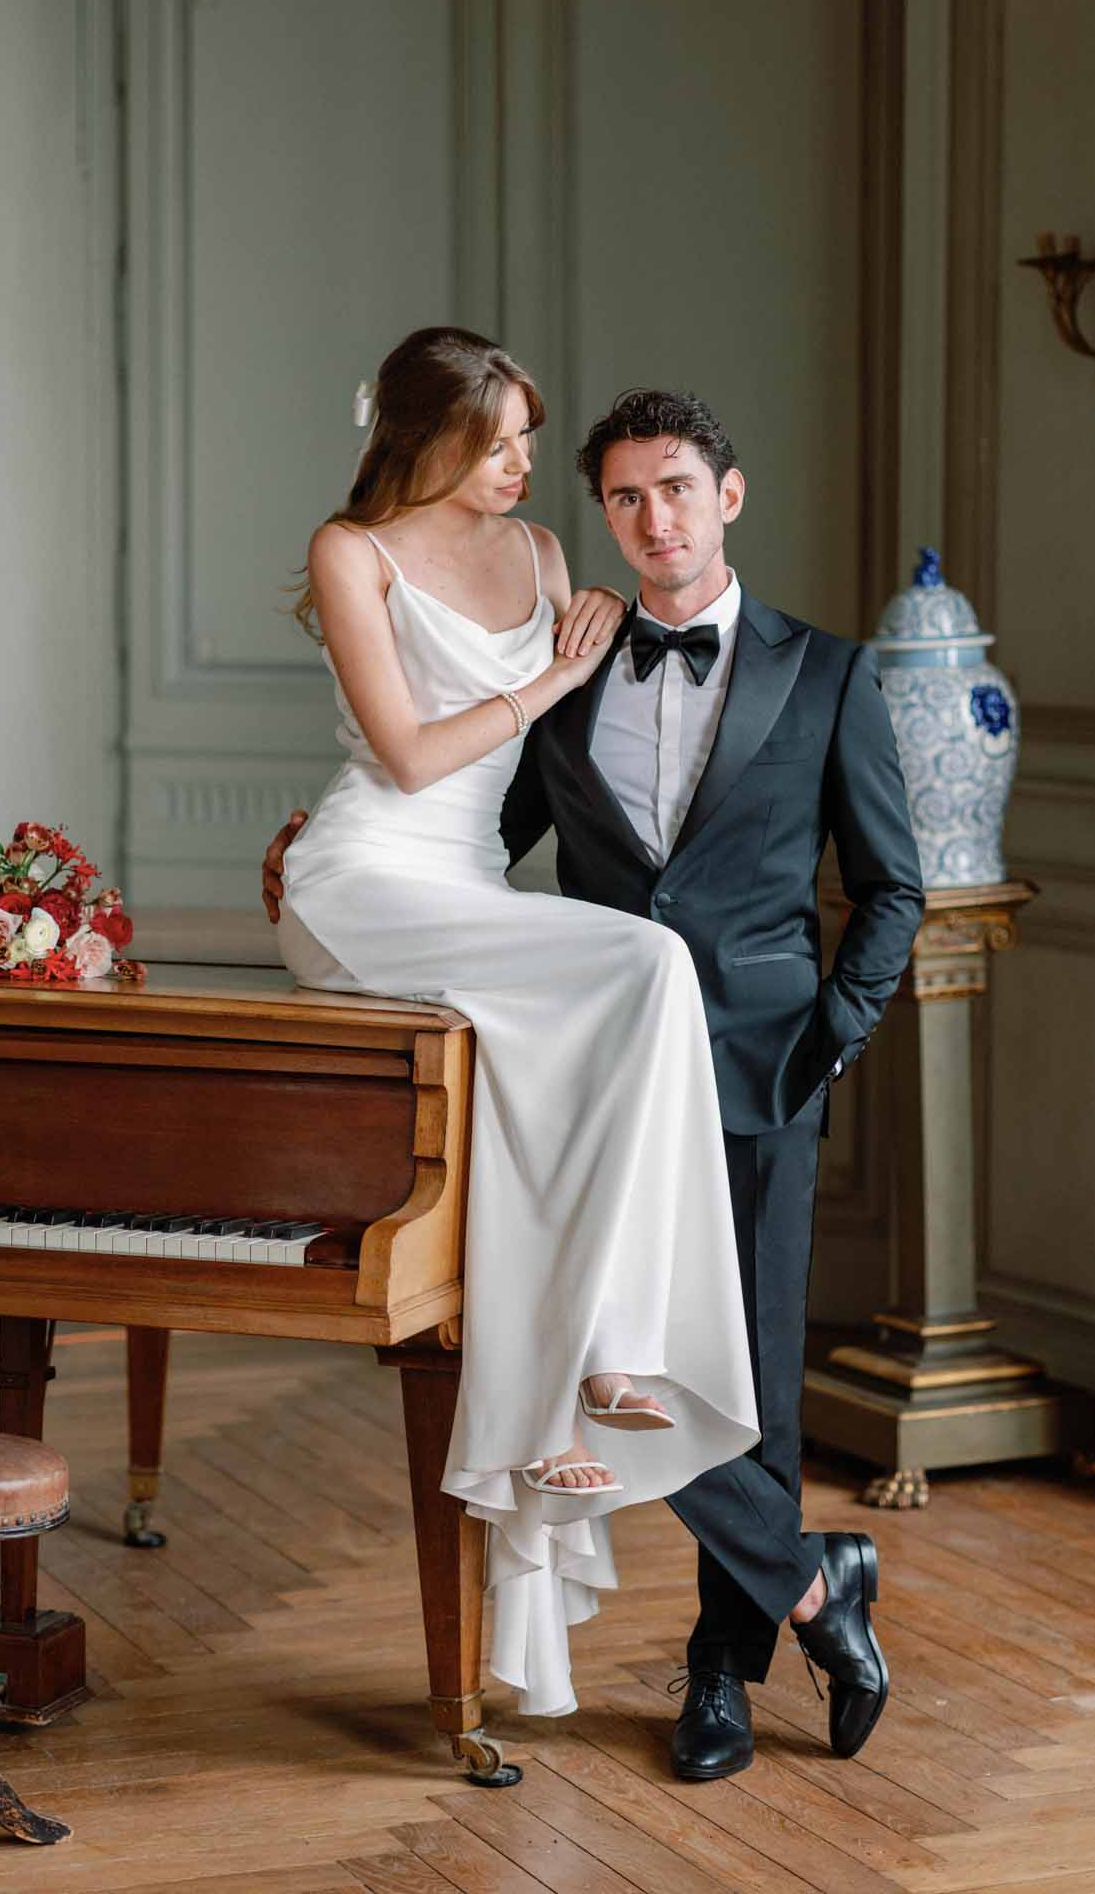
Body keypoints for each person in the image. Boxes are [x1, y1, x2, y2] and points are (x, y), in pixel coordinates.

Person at [266, 384, 925, 1780]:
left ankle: (717, 1679)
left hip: (757, 1069)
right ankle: (816, 1582)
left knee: (749, 1374)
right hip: (590, 1072)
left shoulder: (830, 673)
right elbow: (476, 827)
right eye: (625, 496)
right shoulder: (572, 659)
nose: (653, 518)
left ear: (727, 497)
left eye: (676, 487)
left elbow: (891, 889)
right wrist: (338, 866)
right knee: (633, 1360)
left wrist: (829, 1039)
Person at [273, 329, 760, 1722]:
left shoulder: (549, 555)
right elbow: (417, 755)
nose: (524, 468)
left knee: (585, 1060)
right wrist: (557, 672)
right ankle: (609, 1346)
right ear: (429, 439)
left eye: (529, 444)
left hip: (472, 885)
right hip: (367, 877)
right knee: (649, 973)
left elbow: (558, 770)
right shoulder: (349, 551)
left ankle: (569, 1395)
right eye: (500, 445)